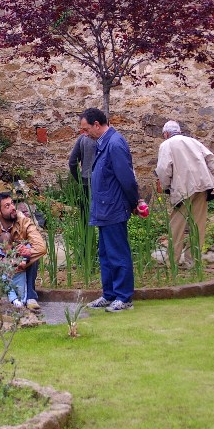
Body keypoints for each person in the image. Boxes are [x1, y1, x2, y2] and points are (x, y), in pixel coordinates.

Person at [79, 108, 140, 312]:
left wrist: (134, 203)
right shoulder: (103, 143)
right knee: (105, 254)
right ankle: (109, 294)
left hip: (113, 208)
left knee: (118, 253)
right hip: (103, 209)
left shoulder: (115, 143)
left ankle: (124, 297)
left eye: (86, 129)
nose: (84, 134)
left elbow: (127, 178)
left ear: (97, 125)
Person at [155, 120, 214, 268]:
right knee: (198, 225)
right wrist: (209, 177)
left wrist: (167, 187)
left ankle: (172, 261)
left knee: (176, 225)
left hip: (183, 188)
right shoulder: (194, 142)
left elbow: (164, 169)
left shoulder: (166, 144)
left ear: (166, 134)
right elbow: (213, 162)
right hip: (203, 186)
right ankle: (193, 262)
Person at [0, 192, 46, 310]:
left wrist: (26, 253)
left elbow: (41, 248)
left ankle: (31, 296)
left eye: (12, 204)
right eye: (7, 206)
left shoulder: (24, 221)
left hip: (21, 265)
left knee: (32, 253)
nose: (12, 208)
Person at [68, 116, 96, 222]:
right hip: (103, 183)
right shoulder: (106, 140)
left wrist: (79, 180)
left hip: (85, 181)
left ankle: (86, 238)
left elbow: (72, 162)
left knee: (86, 219)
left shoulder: (82, 138)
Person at [0, 231, 29, 308]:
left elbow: (26, 252)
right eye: (3, 249)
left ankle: (22, 301)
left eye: (7, 249)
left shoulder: (18, 247)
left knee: (21, 288)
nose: (5, 251)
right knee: (6, 282)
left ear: (12, 244)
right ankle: (14, 299)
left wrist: (23, 261)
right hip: (6, 273)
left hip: (19, 272)